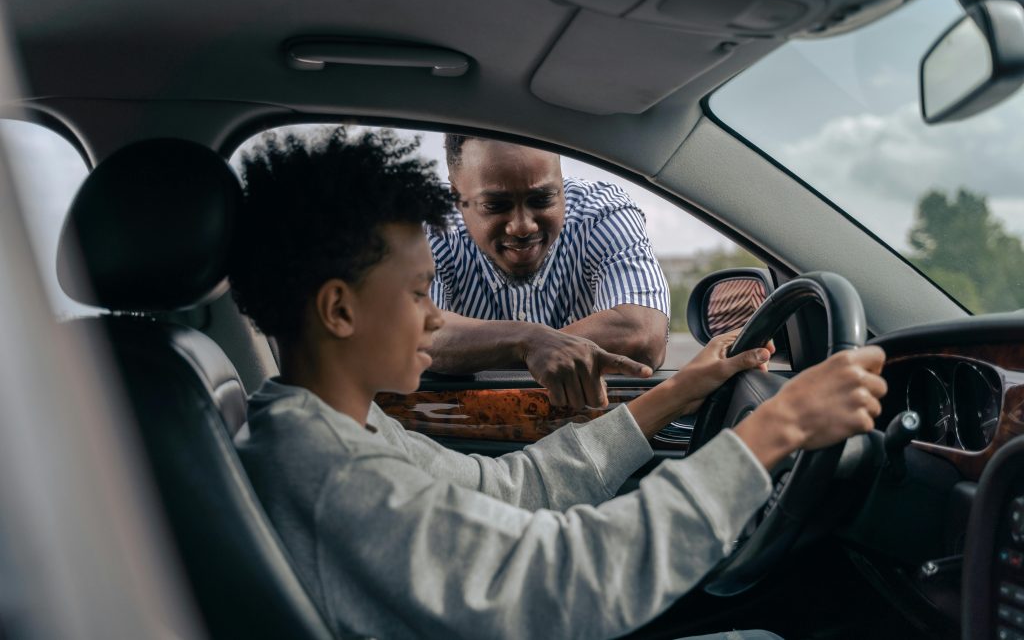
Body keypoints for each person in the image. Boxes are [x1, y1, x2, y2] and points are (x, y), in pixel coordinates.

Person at [229, 127, 887, 640]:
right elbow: (560, 579)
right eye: (419, 293)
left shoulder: (340, 429)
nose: (435, 319)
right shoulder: (333, 472)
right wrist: (779, 428)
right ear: (340, 310)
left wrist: (679, 390)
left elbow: (512, 489)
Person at [428, 135, 671, 408]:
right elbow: (415, 332)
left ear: (561, 184)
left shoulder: (602, 213)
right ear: (455, 195)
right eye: (495, 205)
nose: (522, 227)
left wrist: (491, 350)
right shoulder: (425, 221)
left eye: (542, 199)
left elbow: (642, 334)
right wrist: (527, 342)